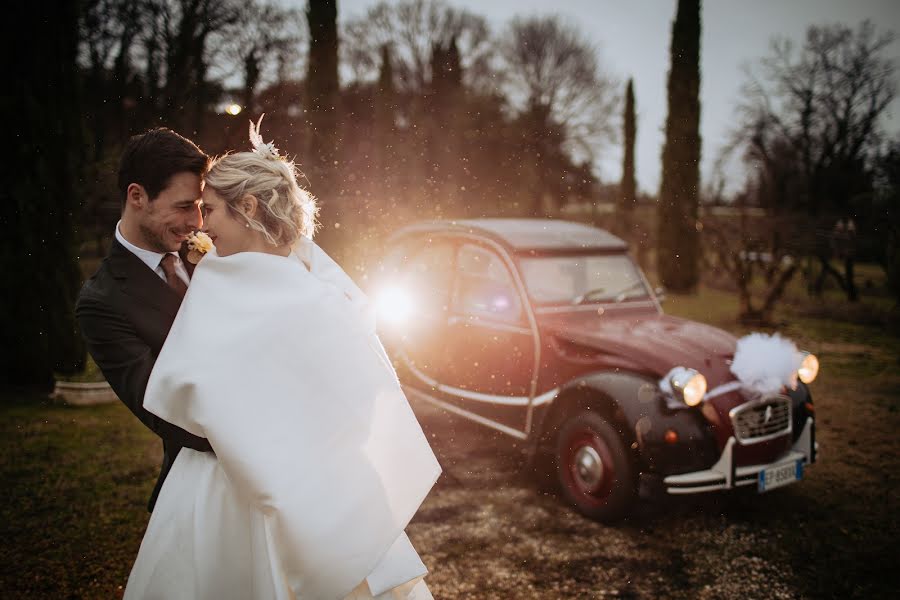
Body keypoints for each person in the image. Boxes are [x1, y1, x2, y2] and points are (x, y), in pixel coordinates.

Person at [123, 118, 442, 600]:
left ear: (248, 207)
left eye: (209, 211)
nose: (201, 226)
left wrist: (300, 439)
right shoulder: (293, 282)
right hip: (223, 481)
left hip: (309, 479)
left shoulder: (310, 291)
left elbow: (361, 390)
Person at [76, 128, 214, 513]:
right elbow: (163, 408)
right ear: (137, 196)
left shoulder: (219, 249)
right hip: (203, 485)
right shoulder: (102, 302)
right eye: (185, 206)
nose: (198, 222)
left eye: (201, 205)